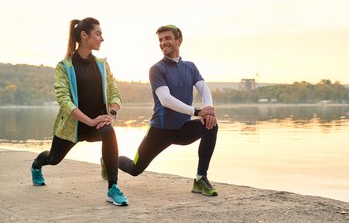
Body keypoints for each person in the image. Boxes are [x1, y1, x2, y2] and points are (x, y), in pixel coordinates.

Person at [102, 24, 219, 196]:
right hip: (159, 131)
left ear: (179, 41)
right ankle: (108, 161)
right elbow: (165, 100)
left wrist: (209, 112)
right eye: (160, 40)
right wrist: (197, 112)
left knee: (211, 125)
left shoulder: (190, 67)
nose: (163, 42)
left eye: (167, 38)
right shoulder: (157, 69)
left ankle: (200, 179)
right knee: (135, 169)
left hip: (182, 129)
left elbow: (204, 88)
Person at [30, 17, 128, 206]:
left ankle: (112, 188)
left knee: (109, 132)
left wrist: (112, 115)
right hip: (72, 127)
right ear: (84, 35)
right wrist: (89, 121)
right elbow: (64, 101)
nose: (102, 38)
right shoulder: (64, 66)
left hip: (97, 123)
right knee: (53, 158)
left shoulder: (102, 65)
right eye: (98, 34)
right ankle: (36, 165)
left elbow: (115, 92)